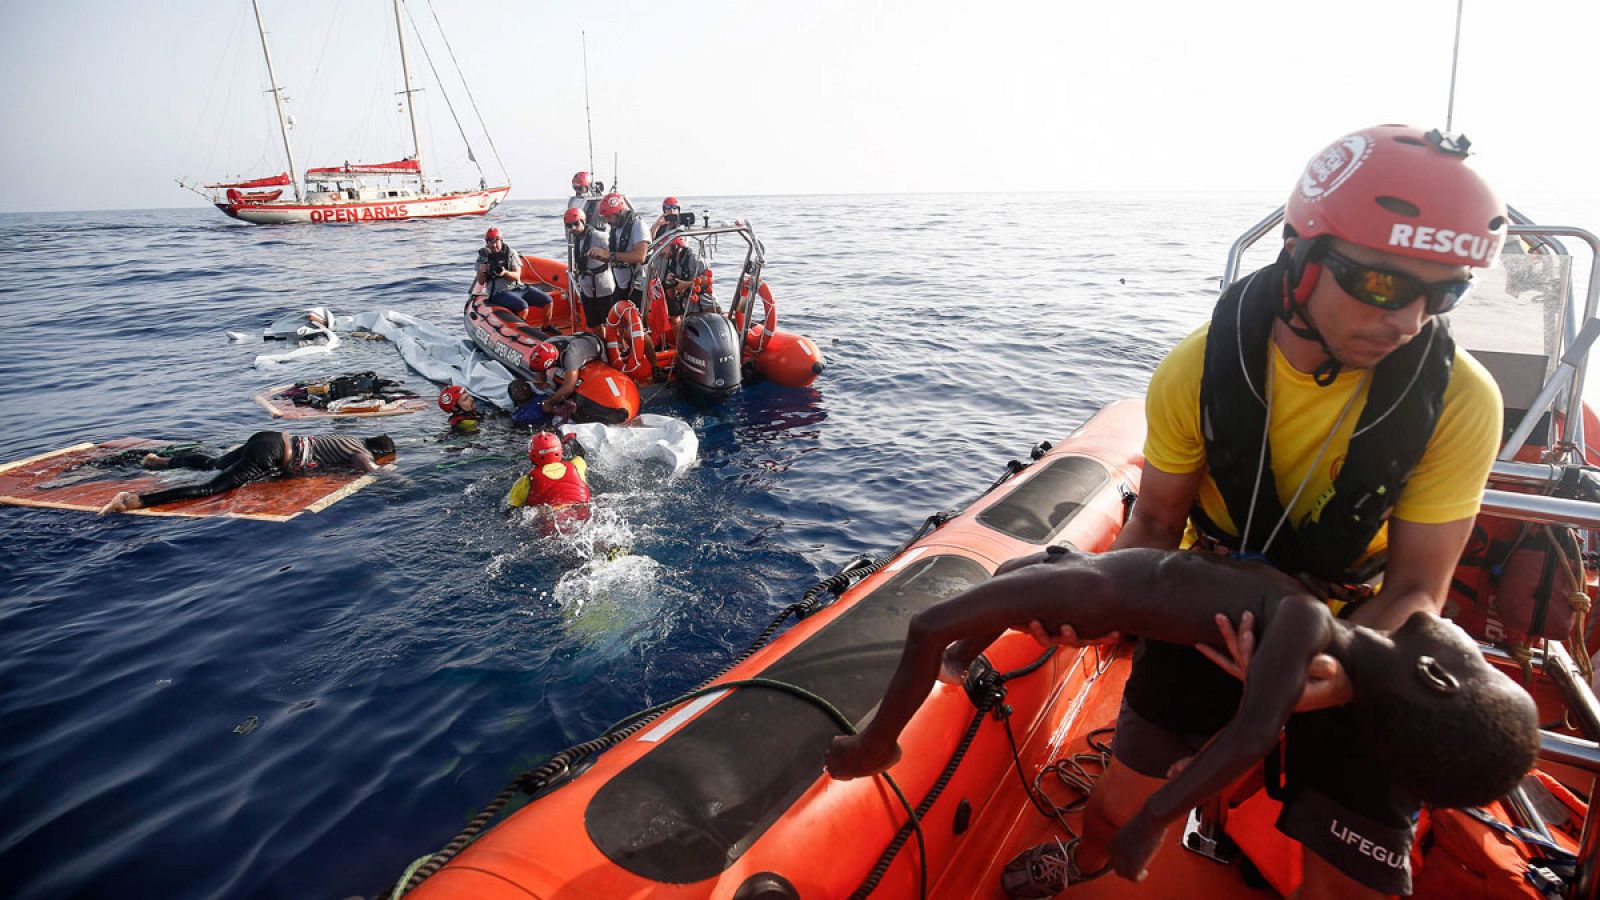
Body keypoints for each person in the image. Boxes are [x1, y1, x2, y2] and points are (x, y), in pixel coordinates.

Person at [1033, 125, 1508, 898]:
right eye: (1384, 284)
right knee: (1116, 812)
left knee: (1352, 883)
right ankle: (1082, 870)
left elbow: (1419, 585)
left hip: (1362, 631)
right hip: (1209, 604)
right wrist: (1093, 595)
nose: (1409, 320)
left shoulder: (1461, 399)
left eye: (1444, 293)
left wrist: (1337, 669)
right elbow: (1154, 525)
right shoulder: (1195, 367)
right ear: (1299, 256)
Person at [824, 546, 1539, 885]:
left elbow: (1256, 730)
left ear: (1439, 676)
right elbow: (1252, 727)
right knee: (1016, 578)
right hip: (1109, 579)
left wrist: (1150, 822)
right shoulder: (1309, 627)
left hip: (1099, 594)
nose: (1463, 638)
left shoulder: (1304, 620)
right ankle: (958, 666)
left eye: (1471, 657)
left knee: (927, 625)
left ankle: (875, 746)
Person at [98, 432, 395, 514]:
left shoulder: (351, 440)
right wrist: (403, 480)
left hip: (269, 438)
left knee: (215, 463)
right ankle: (136, 501)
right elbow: (374, 473)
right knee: (212, 489)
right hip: (272, 455)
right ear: (379, 453)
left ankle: (158, 462)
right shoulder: (363, 454)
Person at [507, 431, 592, 510]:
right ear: (560, 450)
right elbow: (580, 454)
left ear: (532, 454)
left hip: (551, 514)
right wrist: (571, 439)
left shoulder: (526, 480)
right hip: (582, 507)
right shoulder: (576, 465)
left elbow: (512, 508)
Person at [592, 192, 649, 309]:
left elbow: (640, 256)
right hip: (621, 283)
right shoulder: (616, 229)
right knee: (615, 316)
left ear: (619, 212)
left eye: (609, 217)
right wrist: (603, 257)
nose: (607, 221)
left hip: (637, 284)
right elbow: (618, 256)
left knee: (635, 321)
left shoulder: (638, 225)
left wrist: (609, 254)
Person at [528, 334, 604, 417]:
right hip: (577, 338)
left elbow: (569, 387)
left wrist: (550, 403)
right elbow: (539, 368)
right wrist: (541, 381)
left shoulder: (571, 357)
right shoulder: (547, 344)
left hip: (594, 345)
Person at [565, 207, 615, 333]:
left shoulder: (600, 237)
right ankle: (602, 346)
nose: (573, 228)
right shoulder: (576, 239)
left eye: (576, 224)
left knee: (611, 322)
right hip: (587, 286)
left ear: (583, 221)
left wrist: (603, 255)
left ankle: (617, 347)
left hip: (603, 286)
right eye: (569, 226)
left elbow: (615, 256)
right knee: (593, 324)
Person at [473, 227, 522, 299]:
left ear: (501, 240)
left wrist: (505, 273)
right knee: (522, 305)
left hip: (515, 288)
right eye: (490, 241)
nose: (494, 245)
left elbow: (517, 276)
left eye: (496, 241)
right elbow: (481, 282)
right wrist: (482, 271)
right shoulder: (483, 256)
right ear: (487, 242)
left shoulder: (510, 253)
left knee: (544, 299)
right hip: (497, 292)